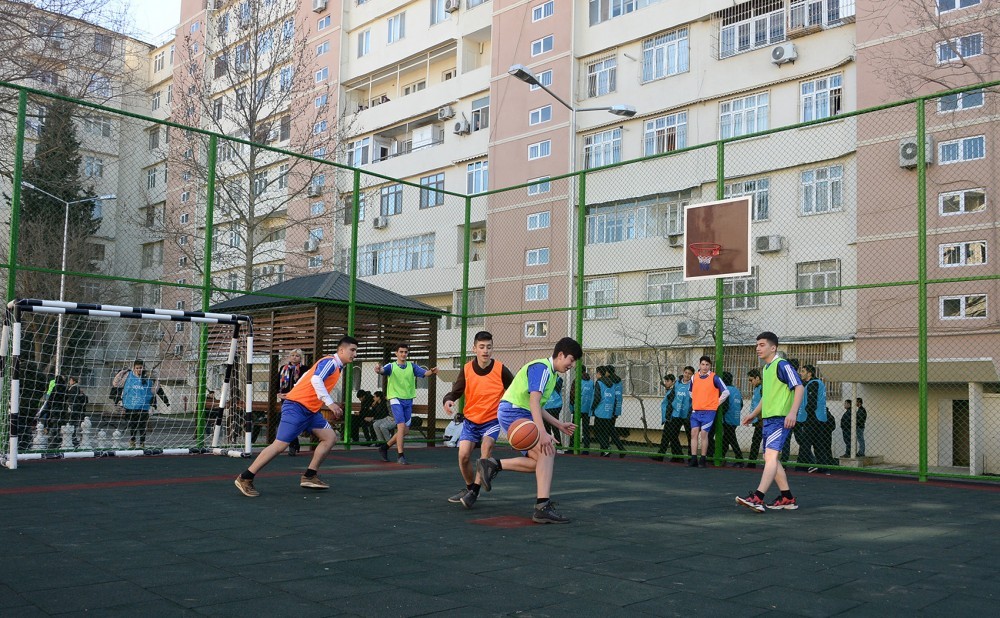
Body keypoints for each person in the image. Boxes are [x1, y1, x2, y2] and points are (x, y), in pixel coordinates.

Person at [234, 336, 358, 497]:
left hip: (310, 411)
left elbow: (306, 377)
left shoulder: (338, 366)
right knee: (279, 446)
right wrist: (330, 403)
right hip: (296, 408)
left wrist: (295, 391)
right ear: (341, 350)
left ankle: (309, 476)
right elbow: (315, 379)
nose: (355, 354)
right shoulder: (331, 362)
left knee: (330, 438)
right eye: (352, 350)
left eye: (356, 351)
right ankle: (245, 477)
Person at [476, 337, 582, 524]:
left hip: (519, 411)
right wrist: (542, 433)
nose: (571, 365)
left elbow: (537, 405)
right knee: (547, 451)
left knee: (541, 461)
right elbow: (533, 401)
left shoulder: (551, 374)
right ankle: (542, 507)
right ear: (560, 355)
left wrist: (558, 424)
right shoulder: (541, 369)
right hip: (513, 411)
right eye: (571, 360)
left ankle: (493, 465)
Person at [441, 330, 515, 508]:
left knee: (486, 448)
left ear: (492, 349)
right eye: (481, 347)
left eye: (489, 347)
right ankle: (469, 488)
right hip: (471, 421)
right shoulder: (467, 369)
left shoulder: (500, 369)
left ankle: (474, 491)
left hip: (492, 420)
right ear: (474, 349)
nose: (485, 351)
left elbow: (514, 390)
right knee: (463, 456)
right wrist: (448, 399)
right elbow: (456, 390)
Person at [736, 332, 804, 513]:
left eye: (762, 344)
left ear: (773, 348)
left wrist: (792, 412)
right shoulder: (766, 370)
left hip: (780, 419)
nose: (758, 348)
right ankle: (787, 497)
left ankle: (758, 497)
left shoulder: (782, 364)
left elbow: (799, 386)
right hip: (768, 420)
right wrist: (753, 414)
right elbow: (767, 397)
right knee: (769, 458)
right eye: (757, 345)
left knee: (771, 457)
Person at [375, 343, 439, 465]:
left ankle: (385, 447)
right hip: (395, 399)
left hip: (408, 400)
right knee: (401, 427)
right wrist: (378, 369)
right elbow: (382, 370)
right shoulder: (391, 366)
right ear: (396, 354)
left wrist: (432, 371)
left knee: (405, 431)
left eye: (405, 352)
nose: (403, 354)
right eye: (401, 352)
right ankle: (400, 456)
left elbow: (425, 374)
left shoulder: (412, 366)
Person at [688, 356, 729, 468]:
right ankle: (693, 459)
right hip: (696, 411)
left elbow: (726, 392)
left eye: (707, 365)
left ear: (710, 366)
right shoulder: (694, 377)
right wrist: (697, 400)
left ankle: (703, 459)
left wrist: (715, 404)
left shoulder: (714, 377)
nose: (705, 367)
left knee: (704, 434)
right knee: (694, 434)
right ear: (699, 365)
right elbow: (690, 392)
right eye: (703, 364)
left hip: (709, 412)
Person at [113, 360, 162, 448]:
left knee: (142, 426)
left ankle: (142, 443)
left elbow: (153, 391)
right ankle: (132, 440)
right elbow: (116, 384)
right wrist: (122, 372)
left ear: (143, 368)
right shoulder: (128, 376)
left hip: (143, 406)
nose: (139, 370)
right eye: (137, 368)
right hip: (130, 405)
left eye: (141, 368)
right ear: (134, 368)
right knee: (133, 424)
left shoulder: (148, 377)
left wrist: (157, 381)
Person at [798, 364, 832, 472]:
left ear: (809, 373)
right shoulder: (817, 383)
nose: (801, 373)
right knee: (819, 444)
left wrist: (806, 416)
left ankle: (801, 468)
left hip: (812, 419)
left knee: (805, 444)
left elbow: (811, 402)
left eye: (803, 371)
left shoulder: (813, 384)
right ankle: (823, 468)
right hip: (819, 419)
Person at [277, 349, 305, 455]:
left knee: (295, 422)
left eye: (297, 356)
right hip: (285, 398)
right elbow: (278, 382)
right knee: (286, 421)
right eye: (292, 355)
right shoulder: (283, 368)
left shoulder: (304, 369)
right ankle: (294, 444)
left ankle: (293, 444)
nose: (294, 357)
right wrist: (278, 393)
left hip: (298, 399)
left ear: (300, 358)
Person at [593, 366, 625, 457]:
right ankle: (615, 449)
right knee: (609, 430)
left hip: (606, 409)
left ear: (607, 372)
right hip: (614, 408)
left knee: (605, 430)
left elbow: (602, 396)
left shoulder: (606, 382)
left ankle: (606, 449)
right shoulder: (618, 381)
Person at [653, 373, 683, 462]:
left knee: (668, 436)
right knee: (671, 437)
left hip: (672, 417)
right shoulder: (670, 390)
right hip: (669, 416)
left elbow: (670, 404)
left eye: (668, 381)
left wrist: (668, 416)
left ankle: (672, 455)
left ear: (673, 382)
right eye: (665, 381)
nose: (666, 383)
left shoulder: (674, 391)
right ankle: (677, 456)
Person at [718, 371, 744, 466]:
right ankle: (721, 457)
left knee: (732, 439)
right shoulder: (736, 390)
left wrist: (721, 416)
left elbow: (725, 405)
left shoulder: (725, 390)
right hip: (735, 418)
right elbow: (741, 404)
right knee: (727, 439)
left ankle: (740, 459)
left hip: (727, 418)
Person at [570, 366, 595, 454]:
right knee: (586, 429)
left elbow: (572, 395)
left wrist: (572, 407)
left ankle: (571, 448)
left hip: (578, 408)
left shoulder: (576, 381)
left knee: (573, 428)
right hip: (587, 409)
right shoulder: (591, 382)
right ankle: (586, 449)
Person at [745, 369, 763, 469]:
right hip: (758, 419)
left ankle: (752, 463)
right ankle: (752, 462)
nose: (750, 382)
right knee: (755, 440)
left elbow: (764, 404)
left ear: (757, 378)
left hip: (762, 420)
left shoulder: (762, 388)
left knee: (757, 440)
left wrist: (760, 418)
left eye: (751, 380)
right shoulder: (757, 388)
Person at [65, 376, 89, 447]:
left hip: (74, 409)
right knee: (74, 424)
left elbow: (72, 399)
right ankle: (74, 439)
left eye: (70, 380)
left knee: (72, 424)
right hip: (76, 409)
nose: (69, 382)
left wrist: (70, 405)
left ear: (73, 381)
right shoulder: (76, 388)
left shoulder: (74, 388)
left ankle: (73, 439)